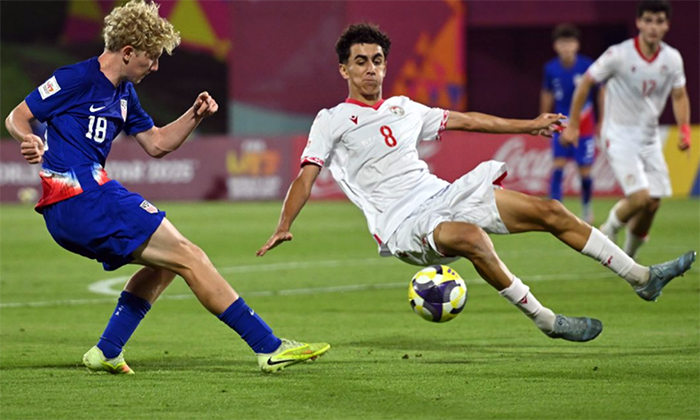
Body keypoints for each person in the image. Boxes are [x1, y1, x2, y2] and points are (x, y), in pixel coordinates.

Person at [257, 23, 695, 343]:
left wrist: (529, 125)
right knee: (470, 237)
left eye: (376, 60)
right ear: (344, 70)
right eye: (360, 62)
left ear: (385, 65)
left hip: (441, 194)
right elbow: (306, 175)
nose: (370, 69)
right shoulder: (332, 120)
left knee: (550, 210)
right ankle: (547, 321)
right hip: (400, 224)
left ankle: (641, 277)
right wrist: (284, 224)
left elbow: (467, 120)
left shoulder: (405, 108)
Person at [4, 0, 329, 374]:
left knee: (167, 265)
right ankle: (268, 347)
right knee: (190, 255)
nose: (156, 66)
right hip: (81, 198)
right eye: (152, 57)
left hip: (78, 205)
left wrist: (194, 115)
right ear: (128, 52)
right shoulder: (76, 78)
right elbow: (17, 116)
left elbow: (156, 143)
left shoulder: (124, 94)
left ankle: (108, 349)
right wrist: (29, 139)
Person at [561, 0, 691, 259]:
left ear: (667, 25)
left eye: (659, 21)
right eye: (648, 20)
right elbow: (586, 83)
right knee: (640, 197)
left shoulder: (672, 58)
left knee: (653, 203)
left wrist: (684, 129)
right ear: (639, 22)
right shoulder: (618, 55)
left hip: (649, 137)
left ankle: (629, 257)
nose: (653, 27)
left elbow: (679, 95)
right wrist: (573, 124)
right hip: (618, 135)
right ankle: (609, 228)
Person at [541, 23, 602, 224]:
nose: (566, 47)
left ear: (577, 45)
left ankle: (586, 208)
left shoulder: (587, 66)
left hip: (584, 123)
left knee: (585, 170)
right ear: (555, 46)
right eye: (562, 43)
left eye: (570, 43)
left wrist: (602, 119)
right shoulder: (550, 68)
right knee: (558, 164)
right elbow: (547, 94)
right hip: (560, 121)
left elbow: (601, 91)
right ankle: (555, 208)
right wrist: (543, 119)